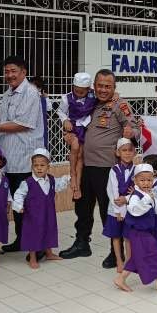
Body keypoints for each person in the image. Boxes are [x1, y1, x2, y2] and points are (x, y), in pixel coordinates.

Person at [59, 69, 139, 267]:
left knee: (109, 210)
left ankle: (116, 251)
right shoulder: (90, 102)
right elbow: (74, 124)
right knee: (83, 208)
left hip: (108, 169)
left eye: (108, 86)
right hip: (86, 166)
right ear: (94, 86)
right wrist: (67, 135)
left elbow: (135, 128)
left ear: (114, 88)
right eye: (100, 85)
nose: (103, 90)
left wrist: (131, 132)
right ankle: (81, 243)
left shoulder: (120, 105)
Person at [0, 56, 45, 253]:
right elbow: (2, 120)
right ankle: (21, 241)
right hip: (8, 158)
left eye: (13, 71)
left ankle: (40, 246)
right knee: (17, 205)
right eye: (6, 72)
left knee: (29, 204)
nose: (9, 75)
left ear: (23, 72)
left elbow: (22, 123)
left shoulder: (31, 93)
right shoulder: (8, 94)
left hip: (24, 159)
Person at [113, 164, 157, 293]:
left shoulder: (148, 194)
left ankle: (121, 279)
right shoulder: (136, 196)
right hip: (139, 233)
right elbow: (135, 210)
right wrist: (147, 198)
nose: (146, 183)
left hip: (145, 232)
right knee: (153, 255)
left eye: (149, 180)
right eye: (142, 180)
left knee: (137, 257)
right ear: (135, 180)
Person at [12, 148, 69, 269]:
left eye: (42, 165)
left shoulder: (52, 180)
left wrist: (68, 178)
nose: (39, 168)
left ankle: (49, 253)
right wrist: (19, 206)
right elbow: (18, 194)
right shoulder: (27, 182)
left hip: (48, 213)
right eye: (36, 165)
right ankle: (32, 258)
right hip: (33, 216)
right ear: (32, 166)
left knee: (49, 231)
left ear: (48, 166)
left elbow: (59, 184)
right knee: (33, 235)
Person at [57, 72, 98, 198]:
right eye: (76, 90)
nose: (78, 93)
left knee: (81, 156)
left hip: (86, 127)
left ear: (88, 89)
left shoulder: (93, 95)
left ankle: (77, 183)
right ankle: (72, 173)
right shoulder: (66, 98)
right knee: (74, 147)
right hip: (73, 127)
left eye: (82, 92)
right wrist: (65, 121)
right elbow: (60, 111)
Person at [103, 138, 136, 273]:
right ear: (118, 153)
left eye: (130, 150)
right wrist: (118, 211)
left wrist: (127, 198)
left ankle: (129, 261)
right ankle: (119, 260)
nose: (127, 153)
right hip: (115, 210)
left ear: (134, 152)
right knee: (116, 236)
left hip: (130, 208)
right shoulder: (114, 170)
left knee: (128, 236)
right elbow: (112, 191)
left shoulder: (137, 170)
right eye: (124, 150)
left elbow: (138, 190)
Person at [30, 76, 50, 149]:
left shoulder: (42, 98)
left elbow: (49, 108)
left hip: (41, 122)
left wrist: (46, 98)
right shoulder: (28, 97)